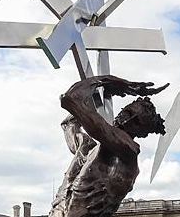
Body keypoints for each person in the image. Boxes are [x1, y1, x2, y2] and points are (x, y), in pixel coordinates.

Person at [49, 75, 168, 217]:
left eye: (136, 121)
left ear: (142, 132)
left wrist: (107, 81)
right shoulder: (88, 149)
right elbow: (68, 124)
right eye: (127, 112)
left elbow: (70, 99)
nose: (126, 120)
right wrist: (98, 94)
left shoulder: (127, 149)